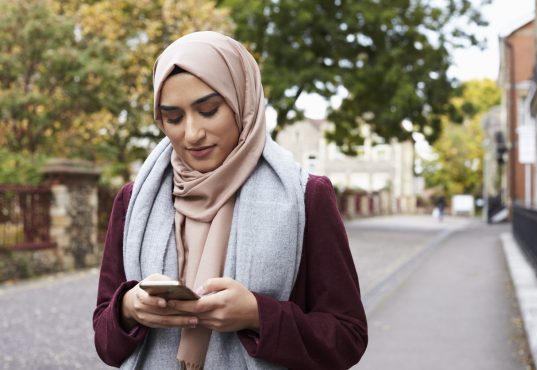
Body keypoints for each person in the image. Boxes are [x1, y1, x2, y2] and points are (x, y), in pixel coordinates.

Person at [93, 31, 368, 370]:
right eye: (173, 118)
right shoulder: (134, 201)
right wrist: (128, 308)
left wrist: (257, 315)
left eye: (208, 110)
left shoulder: (306, 197)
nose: (192, 133)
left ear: (242, 102)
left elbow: (347, 337)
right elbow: (105, 342)